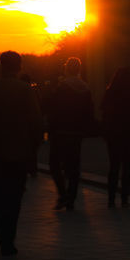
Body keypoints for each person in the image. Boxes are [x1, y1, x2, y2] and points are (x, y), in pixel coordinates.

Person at [0, 50, 43, 256]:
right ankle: (9, 239)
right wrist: (34, 148)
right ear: (19, 66)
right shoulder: (25, 90)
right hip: (19, 152)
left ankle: (2, 234)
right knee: (14, 197)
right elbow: (35, 122)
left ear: (0, 66)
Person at [46, 57, 94, 211]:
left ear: (66, 69)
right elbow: (89, 112)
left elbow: (53, 108)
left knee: (54, 165)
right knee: (74, 167)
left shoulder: (61, 87)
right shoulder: (85, 88)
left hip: (60, 131)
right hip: (76, 132)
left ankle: (62, 194)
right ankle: (71, 198)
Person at [101, 67, 130, 208]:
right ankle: (125, 198)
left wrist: (106, 132)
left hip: (115, 135)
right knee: (127, 167)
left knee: (114, 166)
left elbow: (105, 115)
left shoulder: (110, 93)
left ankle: (111, 198)